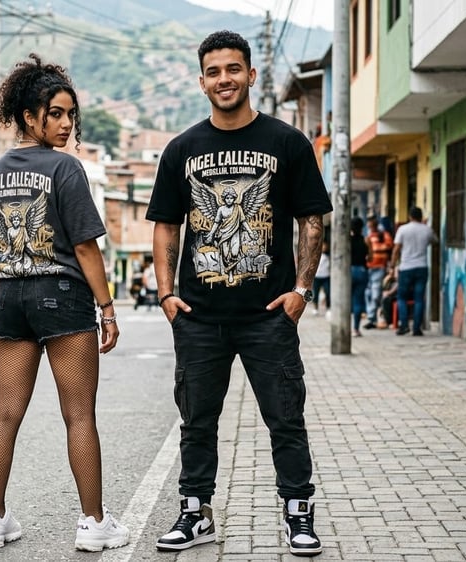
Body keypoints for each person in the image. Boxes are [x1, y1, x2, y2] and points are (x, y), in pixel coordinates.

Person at [145, 30, 331, 557]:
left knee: (285, 419)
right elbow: (166, 225)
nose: (223, 79)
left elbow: (311, 219)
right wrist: (165, 295)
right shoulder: (182, 149)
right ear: (201, 80)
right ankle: (194, 512)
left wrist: (301, 289)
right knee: (196, 422)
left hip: (269, 315)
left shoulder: (287, 142)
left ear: (251, 75)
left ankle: (298, 514)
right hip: (199, 317)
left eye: (233, 69)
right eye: (213, 71)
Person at [0, 53, 129, 552]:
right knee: (79, 414)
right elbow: (86, 246)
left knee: (4, 413)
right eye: (56, 114)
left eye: (70, 115)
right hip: (63, 297)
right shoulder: (66, 169)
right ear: (29, 117)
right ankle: (93, 523)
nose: (66, 124)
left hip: (12, 297)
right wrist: (106, 307)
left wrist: (8, 300)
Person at [391, 206, 438, 336]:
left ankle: (404, 325)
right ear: (421, 216)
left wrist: (392, 266)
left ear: (410, 216)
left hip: (406, 268)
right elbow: (435, 241)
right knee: (419, 298)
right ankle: (417, 328)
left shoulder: (403, 229)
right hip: (422, 267)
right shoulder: (427, 230)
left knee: (402, 297)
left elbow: (396, 249)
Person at [363, 215, 393, 329]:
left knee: (376, 293)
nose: (370, 227)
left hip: (380, 267)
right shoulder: (369, 236)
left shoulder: (384, 235)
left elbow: (389, 247)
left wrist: (374, 248)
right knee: (369, 293)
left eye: (371, 225)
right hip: (369, 268)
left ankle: (372, 318)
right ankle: (373, 317)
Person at [350, 217, 371, 337]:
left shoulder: (346, 240)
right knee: (358, 300)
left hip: (349, 271)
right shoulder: (366, 240)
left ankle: (345, 326)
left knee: (347, 300)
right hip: (362, 271)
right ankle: (356, 329)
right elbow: (371, 258)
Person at [311, 239, 330, 318]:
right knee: (316, 293)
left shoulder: (329, 255)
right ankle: (315, 308)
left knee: (328, 292)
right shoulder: (315, 254)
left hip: (326, 277)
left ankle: (328, 308)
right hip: (317, 277)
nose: (324, 247)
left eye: (325, 246)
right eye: (322, 246)